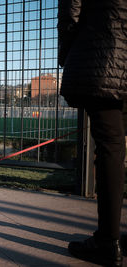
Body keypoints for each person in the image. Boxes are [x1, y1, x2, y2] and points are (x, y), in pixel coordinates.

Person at [58, 0, 127, 266]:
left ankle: (108, 242)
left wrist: (69, 54)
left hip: (103, 54)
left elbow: (71, 12)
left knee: (111, 147)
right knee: (115, 146)